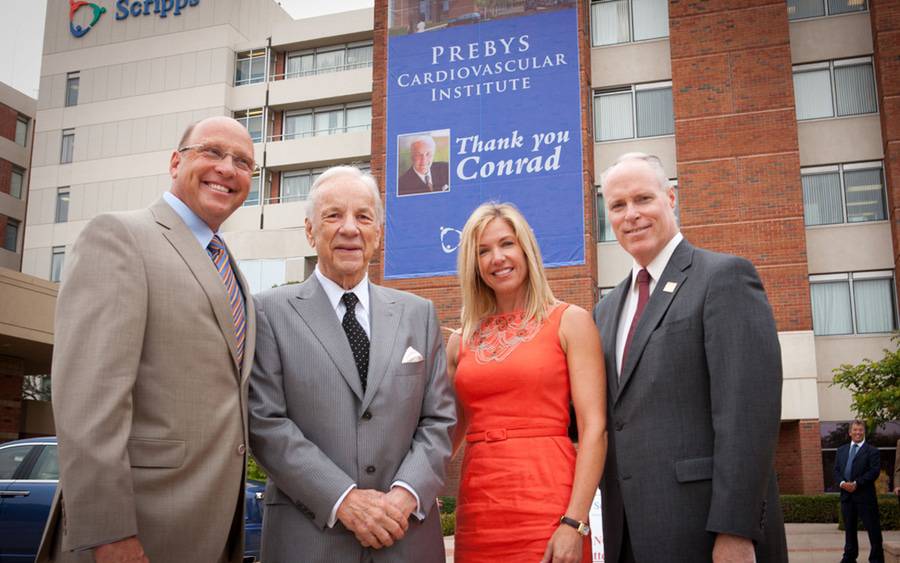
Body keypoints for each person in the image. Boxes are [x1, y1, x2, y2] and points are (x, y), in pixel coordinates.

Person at [37, 116, 257, 562]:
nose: (227, 168)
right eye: (212, 152)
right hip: (136, 530)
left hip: (208, 528)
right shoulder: (119, 236)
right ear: (176, 163)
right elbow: (89, 400)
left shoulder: (228, 266)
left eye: (243, 162)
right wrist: (110, 532)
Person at [248, 165, 456, 562]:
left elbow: (439, 420)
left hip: (406, 535)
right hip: (308, 538)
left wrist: (403, 496)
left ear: (378, 233)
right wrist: (344, 500)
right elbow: (265, 423)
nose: (349, 228)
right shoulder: (268, 311)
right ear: (310, 231)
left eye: (363, 217)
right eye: (333, 215)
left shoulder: (419, 314)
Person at [593, 153, 787, 562]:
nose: (631, 215)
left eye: (643, 199)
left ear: (671, 198)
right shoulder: (606, 310)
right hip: (626, 534)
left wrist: (736, 531)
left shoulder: (724, 278)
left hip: (705, 534)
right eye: (617, 205)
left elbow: (747, 416)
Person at [447, 202, 607, 562]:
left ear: (526, 249)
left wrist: (574, 522)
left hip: (549, 505)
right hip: (479, 509)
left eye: (506, 244)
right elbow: (443, 437)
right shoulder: (460, 341)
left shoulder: (570, 321)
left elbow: (594, 428)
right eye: (483, 251)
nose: (496, 258)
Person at [834, 420, 884, 563]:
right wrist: (843, 483)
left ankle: (876, 559)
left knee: (873, 530)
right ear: (850, 432)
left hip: (865, 497)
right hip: (847, 497)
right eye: (855, 430)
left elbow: (874, 472)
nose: (858, 432)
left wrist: (857, 483)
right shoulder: (841, 450)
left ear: (864, 432)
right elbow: (836, 471)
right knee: (849, 531)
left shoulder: (872, 451)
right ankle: (849, 558)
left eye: (860, 430)